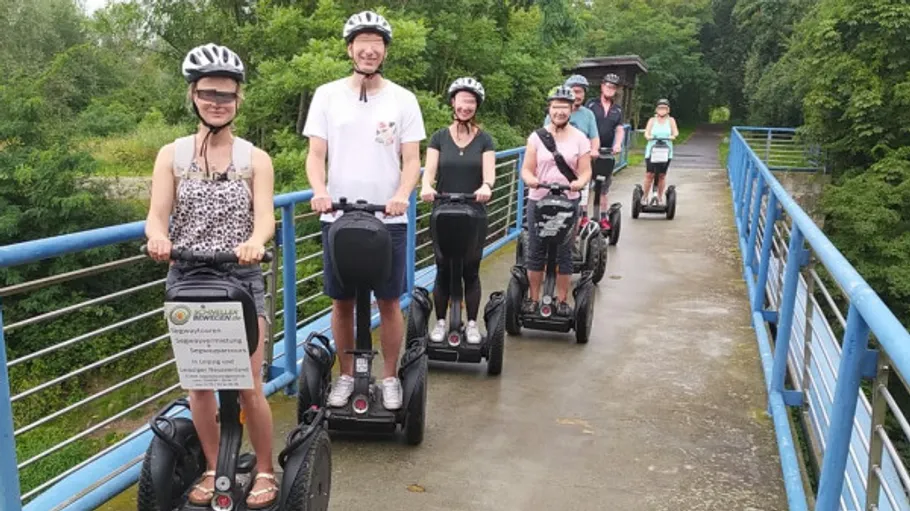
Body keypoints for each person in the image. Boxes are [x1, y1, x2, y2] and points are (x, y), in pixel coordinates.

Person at [145, 43, 278, 508]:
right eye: (207, 92)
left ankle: (264, 469)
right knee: (198, 384)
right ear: (193, 96)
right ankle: (212, 464)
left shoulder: (253, 158)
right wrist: (159, 237)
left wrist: (256, 241)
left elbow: (266, 217)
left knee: (248, 384)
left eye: (226, 93)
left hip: (240, 279)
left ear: (239, 98)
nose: (217, 100)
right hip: (186, 280)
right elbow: (156, 215)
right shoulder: (173, 155)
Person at [303, 11, 426, 411]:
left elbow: (412, 160)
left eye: (377, 42)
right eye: (362, 41)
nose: (369, 48)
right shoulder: (327, 94)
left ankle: (389, 377)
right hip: (337, 218)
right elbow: (315, 154)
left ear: (385, 50)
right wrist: (319, 190)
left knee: (389, 301)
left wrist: (403, 194)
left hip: (388, 220)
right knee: (341, 302)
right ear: (350, 48)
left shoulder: (403, 99)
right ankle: (344, 374)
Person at [420, 77, 496, 344]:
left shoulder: (485, 140)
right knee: (442, 267)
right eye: (462, 100)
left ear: (476, 106)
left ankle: (472, 323)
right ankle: (440, 322)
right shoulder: (439, 137)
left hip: (474, 212)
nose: (466, 106)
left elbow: (490, 174)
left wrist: (486, 186)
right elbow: (429, 171)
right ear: (453, 102)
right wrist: (426, 186)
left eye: (471, 101)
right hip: (443, 211)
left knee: (470, 269)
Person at [520, 86, 592, 315]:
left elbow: (586, 171)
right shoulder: (537, 137)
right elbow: (526, 170)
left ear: (572, 109)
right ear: (549, 109)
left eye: (564, 107)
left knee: (564, 251)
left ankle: (562, 301)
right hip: (539, 200)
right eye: (555, 107)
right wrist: (531, 179)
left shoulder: (580, 138)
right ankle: (532, 298)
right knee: (536, 250)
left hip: (568, 201)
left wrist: (580, 182)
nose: (560, 112)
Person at [543, 74, 599, 225]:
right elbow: (545, 137)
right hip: (557, 162)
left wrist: (594, 150)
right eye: (574, 91)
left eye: (580, 91)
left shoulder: (588, 115)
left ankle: (581, 218)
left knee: (580, 196)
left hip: (580, 161)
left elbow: (594, 137)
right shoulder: (554, 114)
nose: (577, 95)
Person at [586, 73, 625, 230]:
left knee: (603, 187)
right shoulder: (590, 105)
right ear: (602, 86)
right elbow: (585, 126)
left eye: (613, 87)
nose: (610, 89)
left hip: (607, 153)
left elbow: (620, 129)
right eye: (608, 86)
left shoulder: (617, 110)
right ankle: (583, 217)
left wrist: (618, 145)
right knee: (585, 186)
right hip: (589, 152)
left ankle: (602, 217)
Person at [642, 98, 679, 204]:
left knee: (662, 175)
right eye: (660, 108)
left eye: (664, 108)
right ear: (656, 109)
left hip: (665, 151)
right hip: (652, 150)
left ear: (668, 110)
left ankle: (659, 197)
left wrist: (672, 136)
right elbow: (646, 133)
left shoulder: (671, 120)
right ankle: (645, 197)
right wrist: (649, 136)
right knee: (650, 174)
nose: (662, 110)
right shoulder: (652, 120)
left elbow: (676, 132)